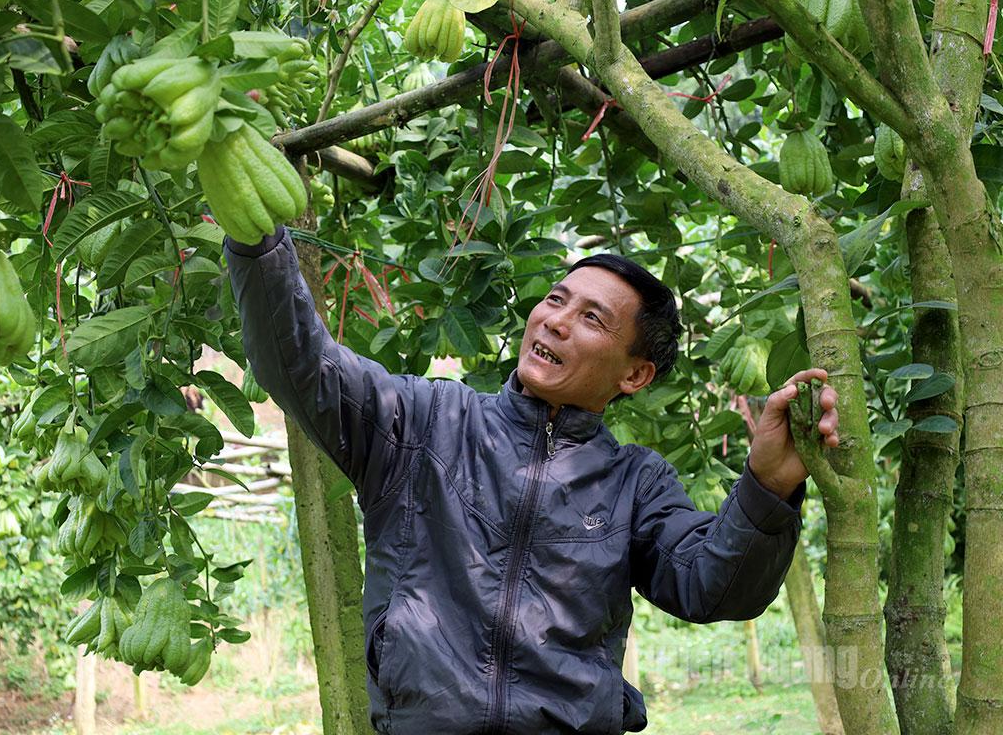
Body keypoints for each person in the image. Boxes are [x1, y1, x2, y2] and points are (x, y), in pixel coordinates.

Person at [224, 226, 840, 735]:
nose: (555, 321)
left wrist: (767, 483)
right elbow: (303, 363)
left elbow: (715, 587)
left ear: (635, 375)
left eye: (592, 318)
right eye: (555, 298)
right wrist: (257, 243)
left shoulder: (636, 483)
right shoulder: (422, 422)